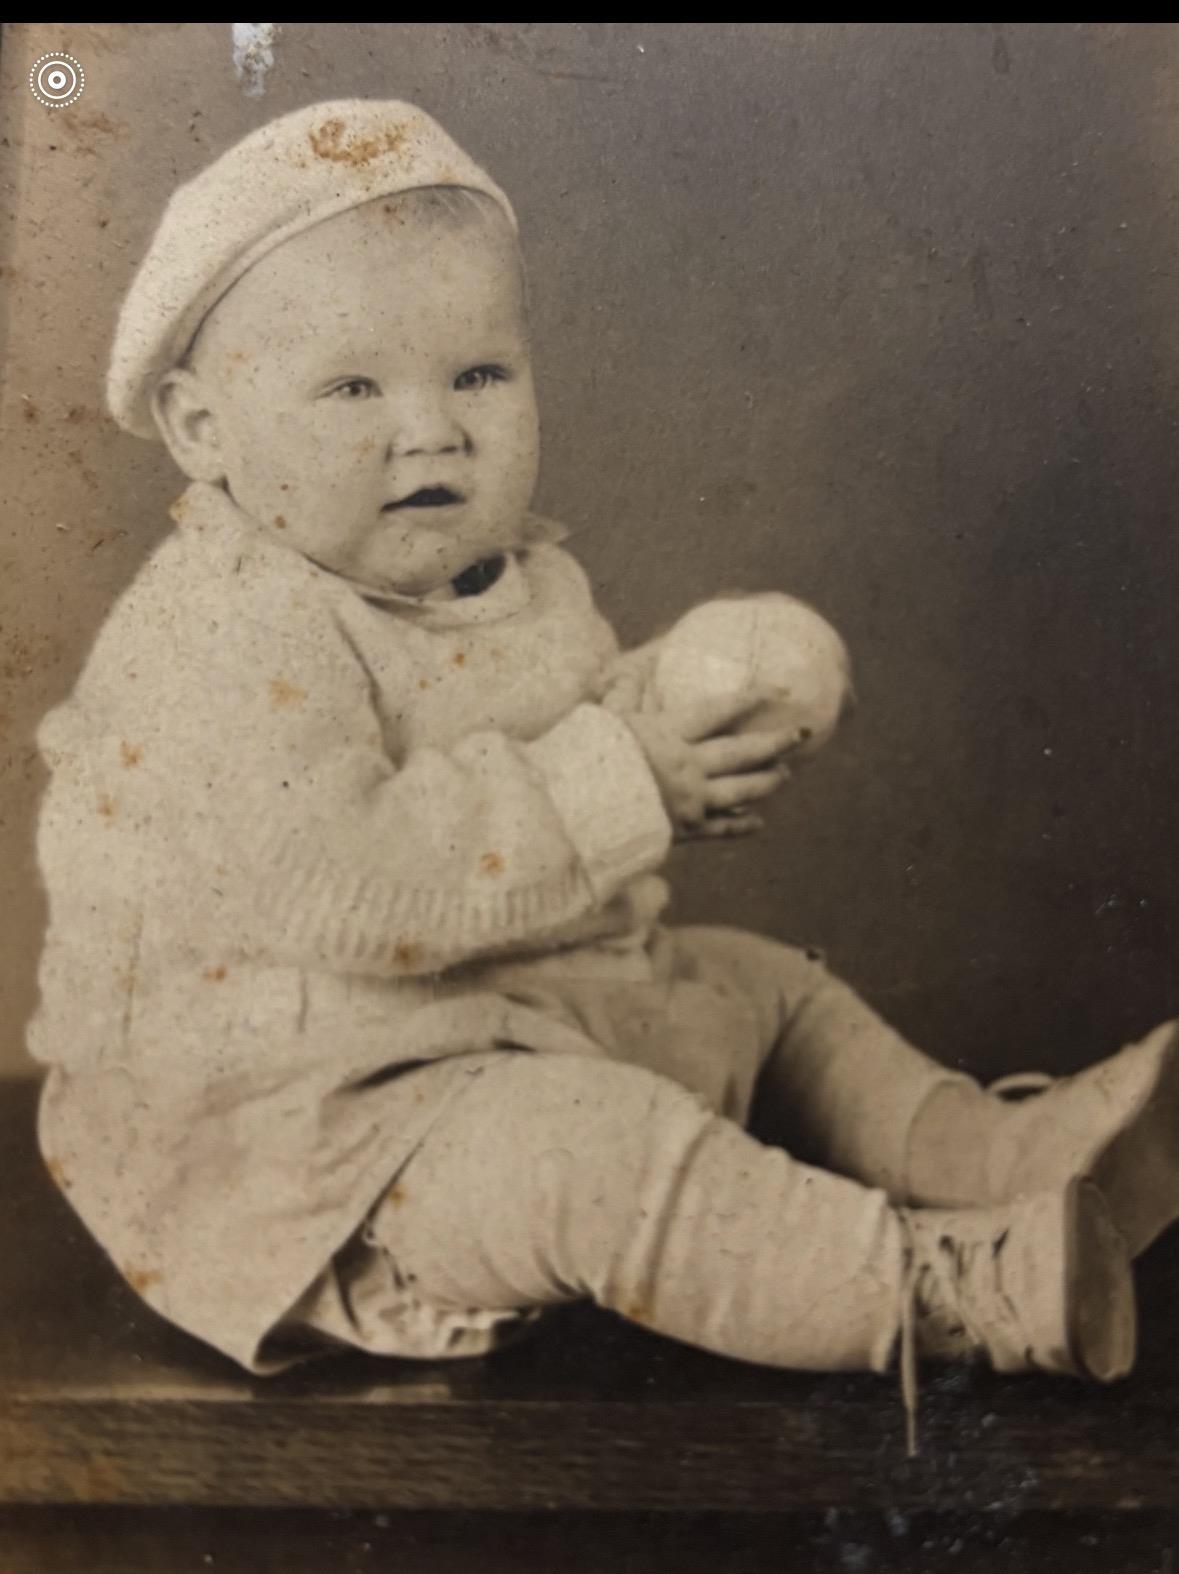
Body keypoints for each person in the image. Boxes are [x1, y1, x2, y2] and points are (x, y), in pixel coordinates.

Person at [29, 100, 1178, 1452]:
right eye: (353, 388)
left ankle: (992, 1157)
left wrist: (679, 713)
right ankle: (944, 1288)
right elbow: (348, 877)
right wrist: (627, 771)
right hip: (312, 1137)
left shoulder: (499, 579)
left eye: (478, 376)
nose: (432, 432)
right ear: (201, 426)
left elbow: (547, 752)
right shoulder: (217, 634)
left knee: (765, 986)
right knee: (592, 1150)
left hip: (503, 1016)